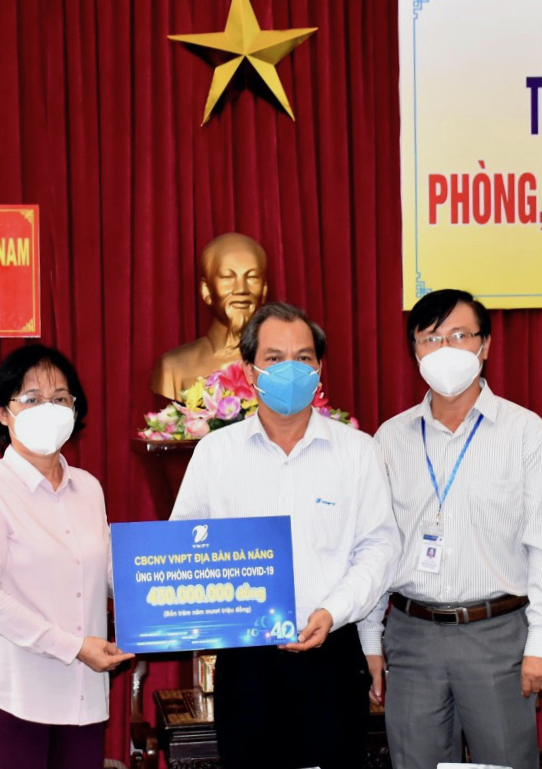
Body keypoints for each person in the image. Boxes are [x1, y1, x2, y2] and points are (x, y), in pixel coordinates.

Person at [170, 301, 400, 769]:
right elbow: (182, 548)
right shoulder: (216, 453)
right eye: (275, 358)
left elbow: (380, 547)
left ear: (320, 370)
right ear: (250, 373)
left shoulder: (358, 452)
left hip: (333, 651)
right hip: (246, 661)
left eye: (304, 357)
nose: (290, 369)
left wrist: (332, 612)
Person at [361, 288, 542, 769]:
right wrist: (371, 642)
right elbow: (376, 546)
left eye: (460, 335)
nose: (446, 349)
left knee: (504, 762)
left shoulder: (526, 434)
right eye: (431, 338)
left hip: (496, 635)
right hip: (413, 637)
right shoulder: (389, 439)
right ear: (414, 350)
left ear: (485, 346)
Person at [0, 345, 133, 769]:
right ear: (3, 413)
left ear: (75, 409)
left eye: (60, 398)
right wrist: (71, 646)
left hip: (80, 697)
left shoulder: (88, 488)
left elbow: (110, 571)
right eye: (30, 398)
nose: (48, 408)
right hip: (8, 695)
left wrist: (163, 599)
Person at [150, 232, 269, 399]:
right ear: (206, 290)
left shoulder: (284, 366)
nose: (241, 289)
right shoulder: (173, 368)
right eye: (228, 277)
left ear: (264, 290)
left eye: (252, 277)